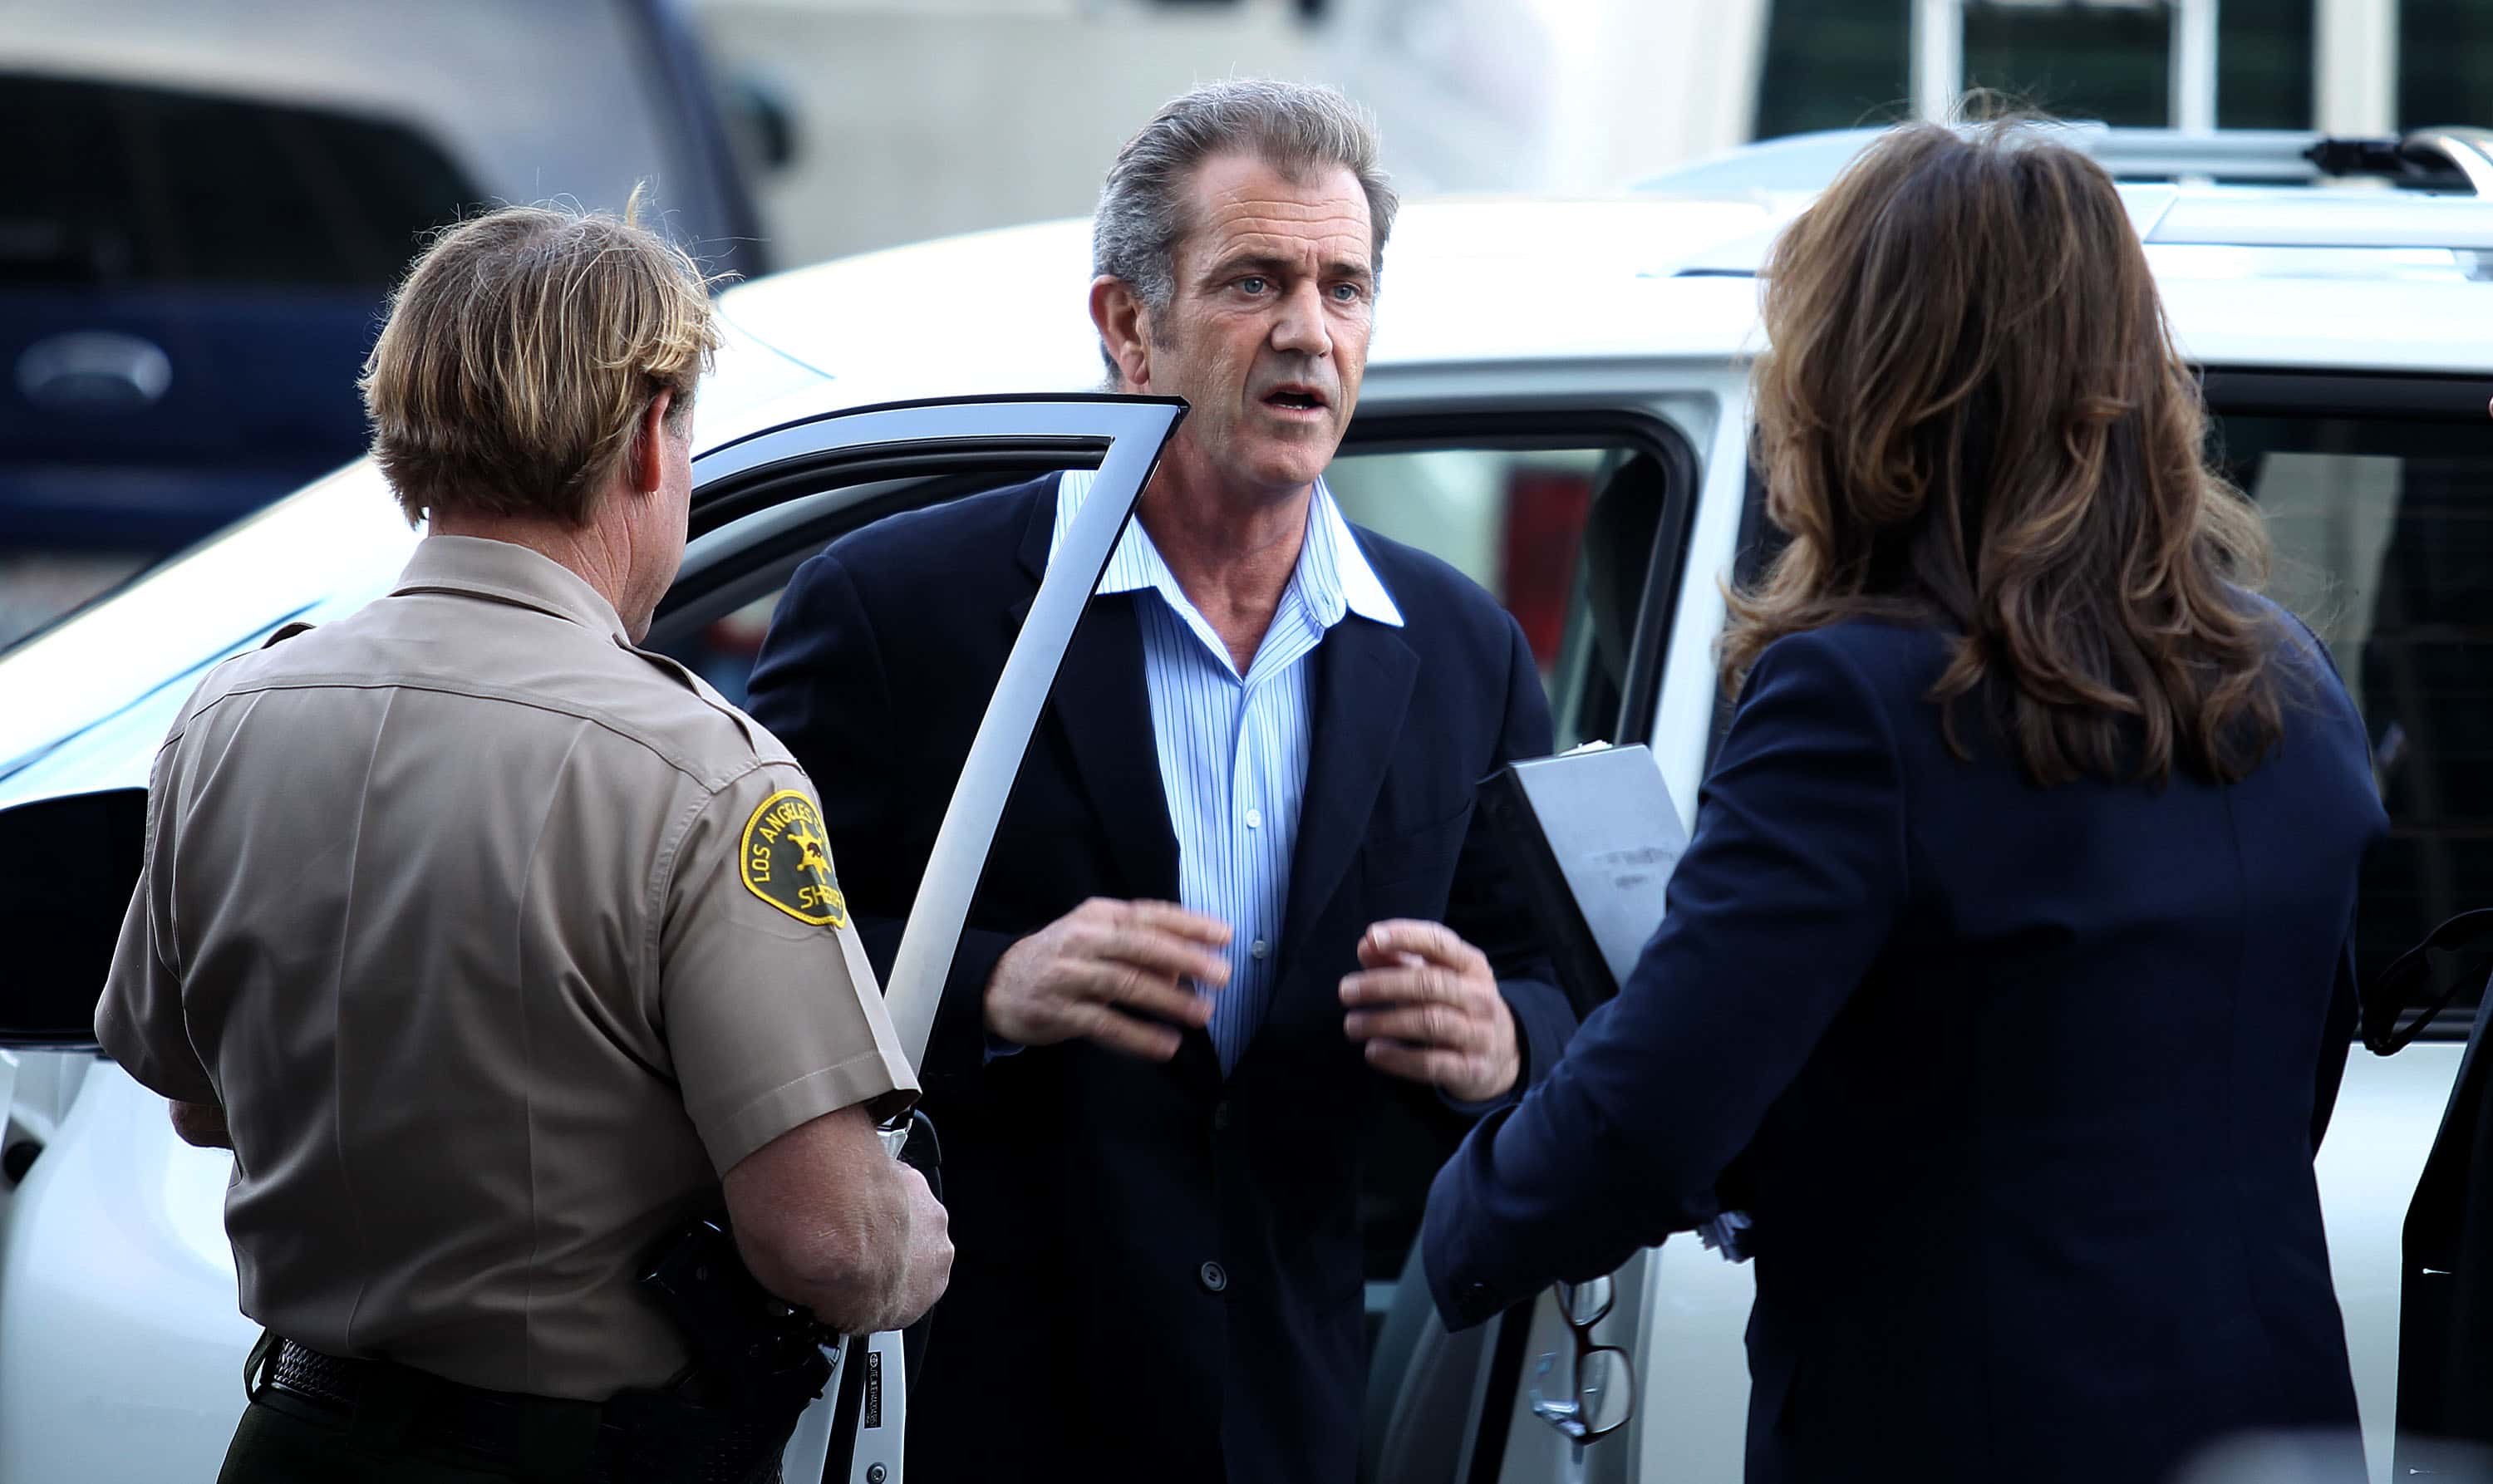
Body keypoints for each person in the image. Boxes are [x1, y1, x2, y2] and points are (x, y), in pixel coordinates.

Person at [1421, 120, 2386, 1483]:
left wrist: (1454, 1222)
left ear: (1867, 375)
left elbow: (1651, 1114)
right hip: (2267, 1431)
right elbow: (2239, 1072)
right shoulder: (2286, 674)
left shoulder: (1860, 697)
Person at [744, 80, 1575, 1484]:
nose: (1310, 331)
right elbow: (745, 978)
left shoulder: (1457, 648)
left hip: (1290, 1426)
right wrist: (993, 983)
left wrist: (1502, 1041)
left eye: (1345, 288)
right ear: (1129, 325)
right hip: (968, 1418)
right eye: (1255, 281)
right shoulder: (904, 611)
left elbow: (1574, 1000)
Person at [93, 201, 951, 1484]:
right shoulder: (703, 770)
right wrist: (911, 1237)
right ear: (654, 436)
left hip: (294, 1439)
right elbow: (824, 1240)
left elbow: (192, 1093)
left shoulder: (231, 717)